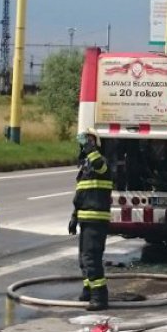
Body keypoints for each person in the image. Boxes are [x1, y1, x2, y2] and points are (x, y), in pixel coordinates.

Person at [69, 128, 113, 311]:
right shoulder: (85, 167)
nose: (85, 144)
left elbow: (99, 164)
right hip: (85, 219)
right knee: (83, 258)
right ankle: (88, 289)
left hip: (96, 219)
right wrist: (74, 216)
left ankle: (99, 296)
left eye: (89, 141)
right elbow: (81, 195)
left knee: (91, 258)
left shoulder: (101, 163)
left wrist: (90, 147)